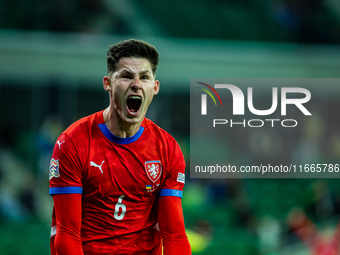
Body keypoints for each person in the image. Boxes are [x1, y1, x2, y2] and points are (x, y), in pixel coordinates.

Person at [49, 39, 192, 255]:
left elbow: (174, 236)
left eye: (144, 77)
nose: (136, 84)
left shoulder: (168, 149)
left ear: (155, 87)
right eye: (126, 76)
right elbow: (67, 232)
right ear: (107, 83)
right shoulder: (73, 142)